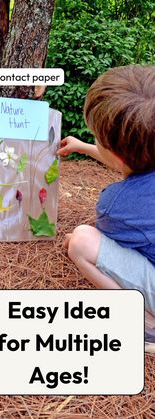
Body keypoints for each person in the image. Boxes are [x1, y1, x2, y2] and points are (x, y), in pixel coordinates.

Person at [57, 65, 155, 352]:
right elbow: (134, 163)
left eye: (98, 141)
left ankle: (145, 323)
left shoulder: (115, 205)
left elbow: (110, 245)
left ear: (113, 154)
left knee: (81, 241)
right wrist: (85, 147)